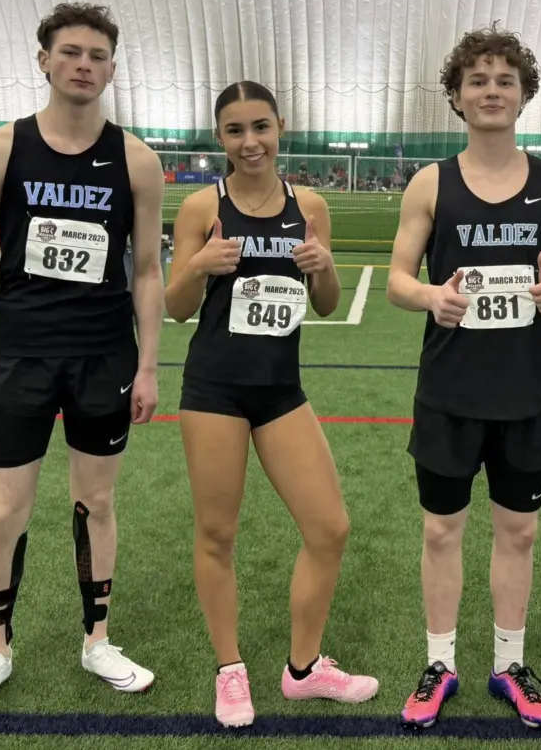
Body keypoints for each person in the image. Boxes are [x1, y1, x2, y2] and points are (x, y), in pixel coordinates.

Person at [0, 2, 166, 718]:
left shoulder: (136, 158)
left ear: (110, 67)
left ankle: (97, 640)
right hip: (20, 356)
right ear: (44, 60)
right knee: (5, 508)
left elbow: (146, 273)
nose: (83, 64)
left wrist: (152, 366)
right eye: (70, 52)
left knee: (96, 501)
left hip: (105, 356)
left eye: (97, 55)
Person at [386, 24, 541, 731]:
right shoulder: (430, 181)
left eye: (505, 79)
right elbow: (396, 280)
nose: (492, 90)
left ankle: (510, 665)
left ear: (524, 93)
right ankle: (440, 661)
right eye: (478, 80)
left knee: (520, 531)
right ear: (457, 95)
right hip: (448, 392)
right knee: (441, 532)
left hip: (526, 392)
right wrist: (431, 297)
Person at [164, 80, 379, 729]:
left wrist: (322, 266)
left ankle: (305, 670)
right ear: (220, 138)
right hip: (214, 391)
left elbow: (327, 304)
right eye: (235, 130)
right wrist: (199, 264)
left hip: (282, 392)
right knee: (217, 533)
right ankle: (231, 671)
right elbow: (174, 309)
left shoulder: (308, 204)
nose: (250, 141)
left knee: (329, 527)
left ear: (280, 127)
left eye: (260, 126)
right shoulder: (202, 205)